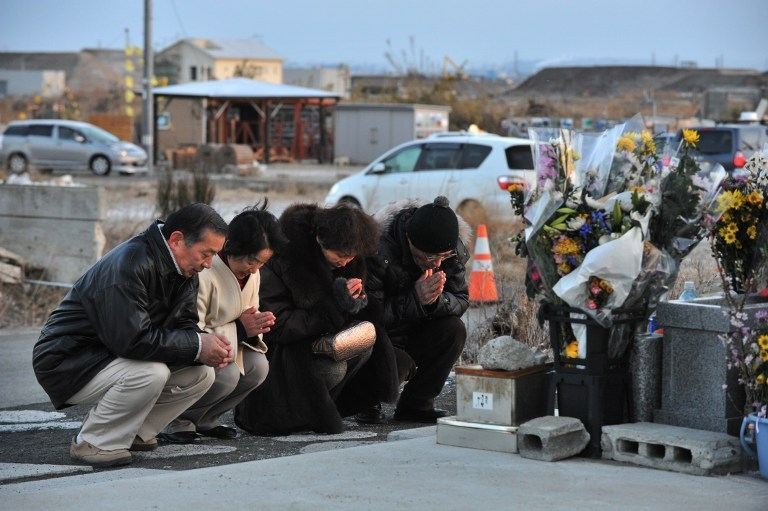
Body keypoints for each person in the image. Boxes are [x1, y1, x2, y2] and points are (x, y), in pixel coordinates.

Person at [32, 203, 232, 467]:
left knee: (200, 374)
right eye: (206, 254)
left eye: (213, 256)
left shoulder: (184, 269)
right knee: (151, 373)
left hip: (108, 354)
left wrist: (208, 346)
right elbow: (131, 340)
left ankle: (135, 432)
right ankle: (93, 442)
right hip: (66, 360)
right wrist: (197, 345)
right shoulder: (129, 263)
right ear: (177, 240)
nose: (208, 264)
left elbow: (184, 323)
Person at [234, 203, 399, 435]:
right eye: (340, 255)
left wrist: (355, 302)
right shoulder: (285, 257)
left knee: (365, 345)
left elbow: (366, 310)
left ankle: (323, 409)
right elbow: (279, 324)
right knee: (334, 369)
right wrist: (334, 306)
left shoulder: (349, 260)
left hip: (322, 343)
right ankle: (302, 413)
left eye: (351, 256)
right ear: (320, 239)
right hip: (284, 357)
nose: (345, 262)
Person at [162, 201, 287, 442]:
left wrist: (255, 325)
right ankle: (174, 419)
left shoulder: (252, 273)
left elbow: (249, 311)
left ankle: (206, 418)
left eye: (262, 263)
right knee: (227, 375)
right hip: (195, 350)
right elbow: (189, 329)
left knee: (259, 368)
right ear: (232, 246)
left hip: (231, 342)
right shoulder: (205, 271)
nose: (254, 270)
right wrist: (240, 328)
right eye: (251, 261)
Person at [361, 196, 470, 424]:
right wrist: (416, 299)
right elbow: (369, 316)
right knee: (397, 366)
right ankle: (364, 401)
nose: (437, 264)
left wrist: (433, 302)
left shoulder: (450, 248)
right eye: (430, 257)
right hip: (382, 339)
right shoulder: (378, 249)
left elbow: (460, 298)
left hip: (418, 327)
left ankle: (417, 405)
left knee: (454, 330)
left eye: (443, 257)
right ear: (410, 240)